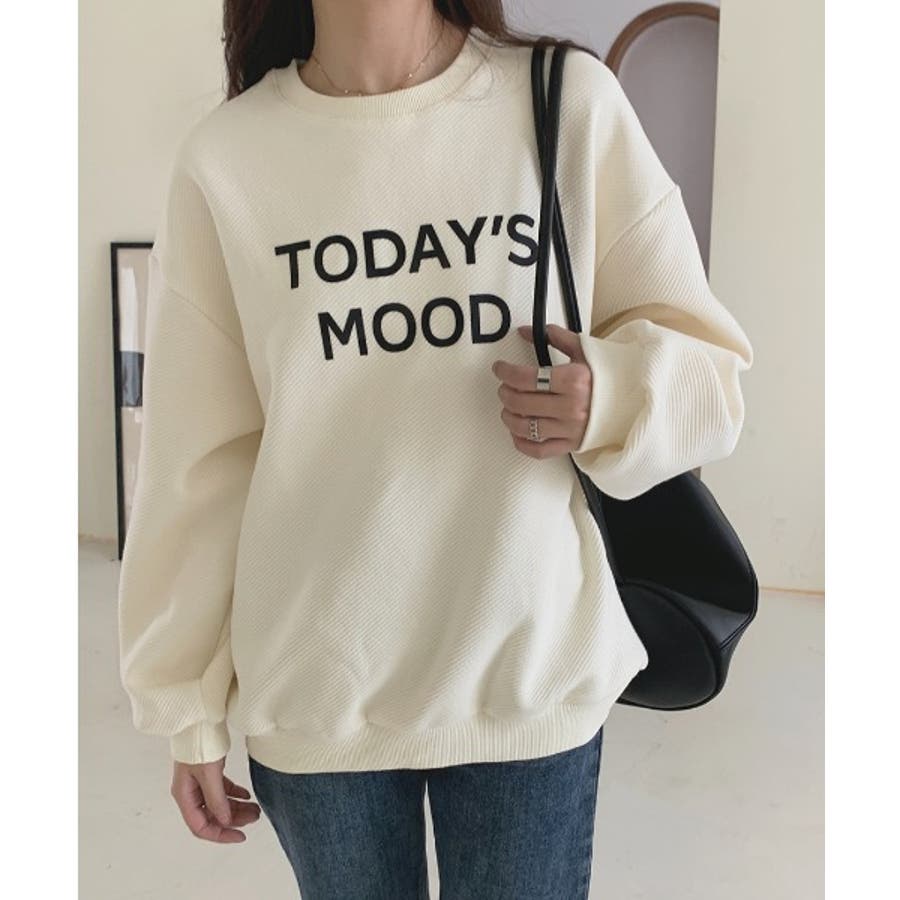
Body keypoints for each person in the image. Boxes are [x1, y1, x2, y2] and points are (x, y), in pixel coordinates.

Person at [117, 1, 754, 897]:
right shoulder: (229, 160)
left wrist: (608, 396)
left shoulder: (563, 102)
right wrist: (184, 704)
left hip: (527, 673)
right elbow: (197, 462)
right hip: (319, 694)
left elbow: (712, 375)